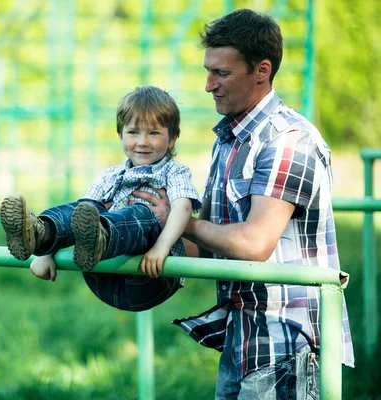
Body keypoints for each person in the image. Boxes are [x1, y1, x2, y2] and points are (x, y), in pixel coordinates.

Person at [133, 9, 354, 399]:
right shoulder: (230, 140)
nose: (208, 85)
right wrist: (138, 243)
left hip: (287, 342)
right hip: (241, 336)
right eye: (207, 70)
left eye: (221, 73)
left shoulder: (288, 139)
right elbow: (211, 240)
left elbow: (254, 243)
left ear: (261, 71)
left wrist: (179, 220)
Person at [0, 85, 201, 312]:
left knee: (144, 212)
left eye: (153, 133)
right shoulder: (111, 176)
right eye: (133, 132)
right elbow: (79, 215)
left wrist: (162, 248)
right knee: (89, 206)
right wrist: (47, 252)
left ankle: (102, 237)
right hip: (101, 274)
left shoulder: (175, 172)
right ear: (120, 135)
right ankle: (42, 235)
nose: (142, 141)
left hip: (149, 278)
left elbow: (182, 209)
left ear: (172, 138)